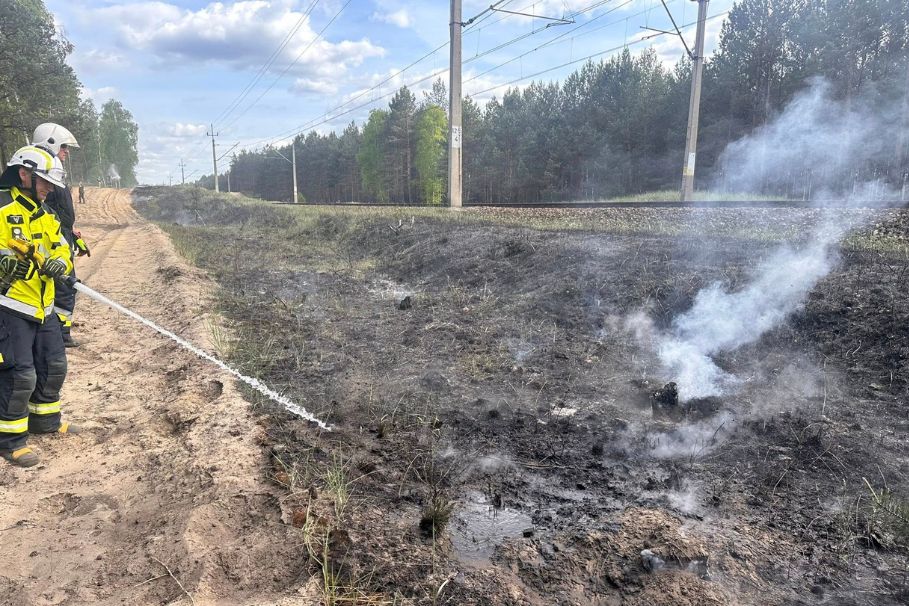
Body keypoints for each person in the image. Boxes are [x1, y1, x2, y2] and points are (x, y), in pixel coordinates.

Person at [0, 146, 77, 467]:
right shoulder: (2, 206)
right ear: (24, 175)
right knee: (20, 376)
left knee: (53, 365)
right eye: (44, 181)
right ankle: (10, 441)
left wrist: (60, 262)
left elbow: (61, 248)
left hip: (43, 307)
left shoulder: (46, 215)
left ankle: (45, 421)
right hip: (10, 306)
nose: (49, 189)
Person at [32, 123, 88, 347]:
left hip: (62, 233)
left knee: (64, 286)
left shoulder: (52, 172)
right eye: (64, 147)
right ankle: (60, 335)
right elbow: (42, 210)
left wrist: (71, 231)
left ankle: (58, 333)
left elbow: (55, 210)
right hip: (51, 239)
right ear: (51, 143)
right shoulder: (41, 175)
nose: (67, 152)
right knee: (64, 286)